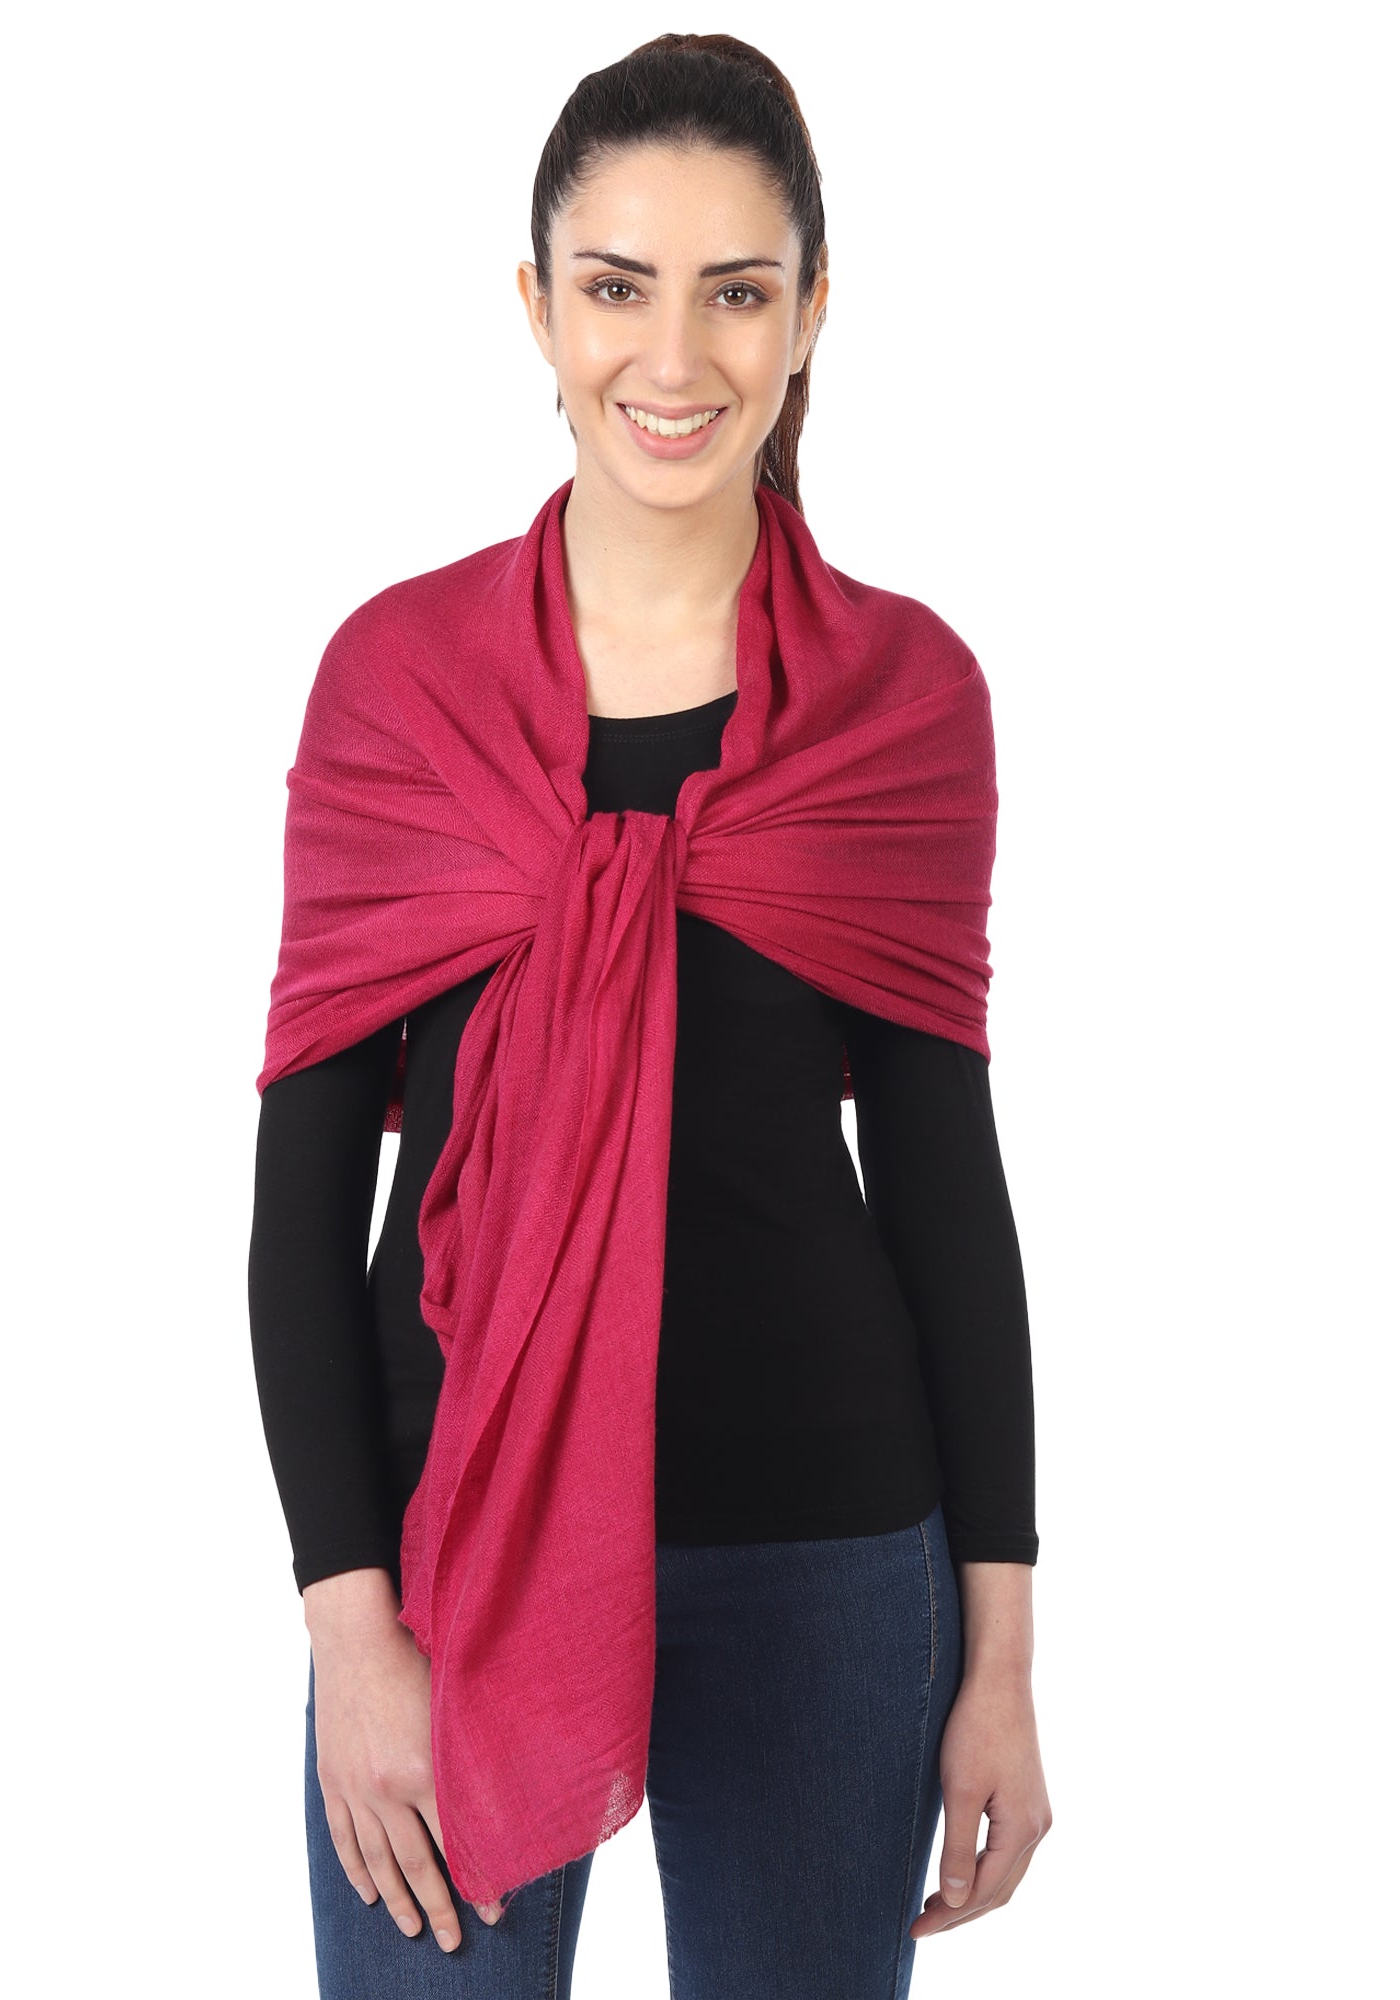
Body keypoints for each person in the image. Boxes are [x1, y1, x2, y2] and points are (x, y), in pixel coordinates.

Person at [249, 31, 1051, 1999]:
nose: (672, 356)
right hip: (448, 1560)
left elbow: (947, 1197)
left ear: (813, 314)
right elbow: (297, 1217)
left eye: (736, 291)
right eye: (616, 286)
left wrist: (1002, 1662)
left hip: (825, 1562)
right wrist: (350, 1629)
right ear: (537, 307)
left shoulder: (901, 699)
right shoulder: (398, 686)